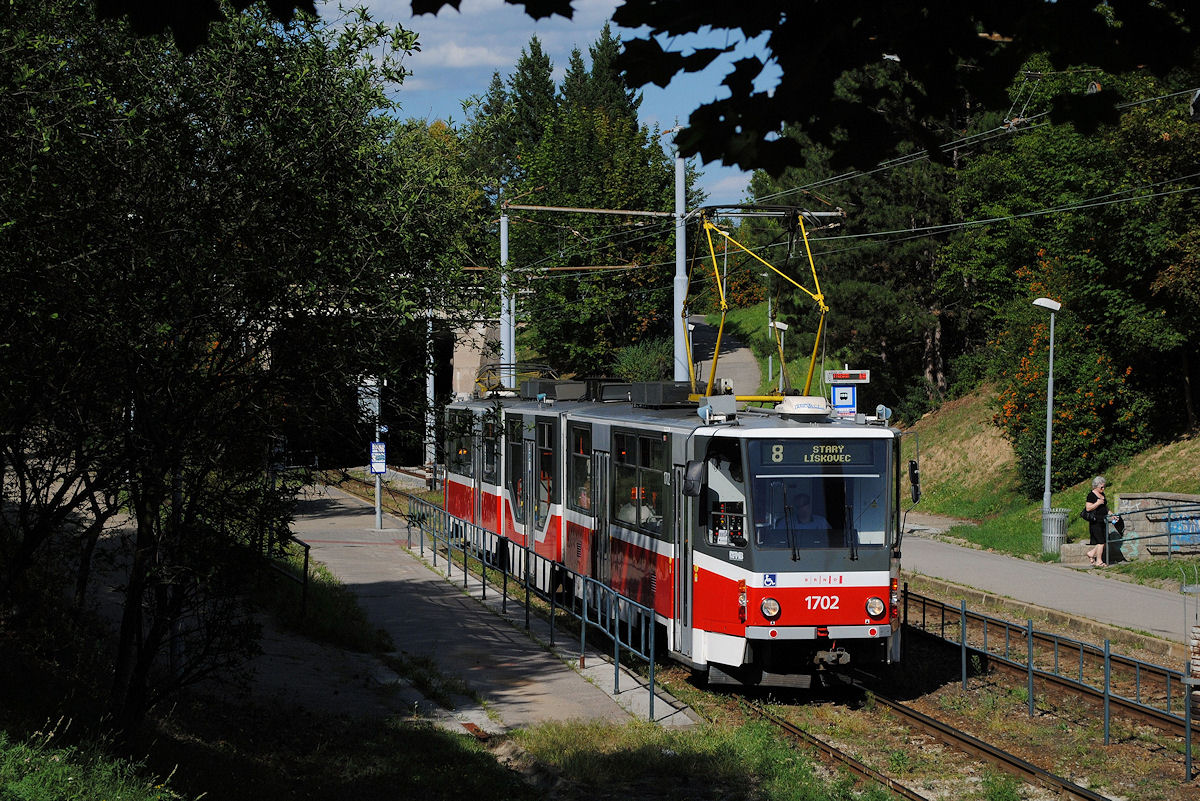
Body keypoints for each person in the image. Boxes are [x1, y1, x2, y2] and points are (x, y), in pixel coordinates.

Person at [1084, 476, 1109, 567]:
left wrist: (1112, 515)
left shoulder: (1103, 494)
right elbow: (1088, 508)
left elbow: (1105, 508)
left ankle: (1091, 553)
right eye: (1101, 487)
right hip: (1095, 522)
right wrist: (1097, 503)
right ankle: (1099, 561)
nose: (1103, 489)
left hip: (1103, 521)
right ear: (1096, 486)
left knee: (1104, 542)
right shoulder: (1091, 495)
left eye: (1104, 487)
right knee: (1101, 542)